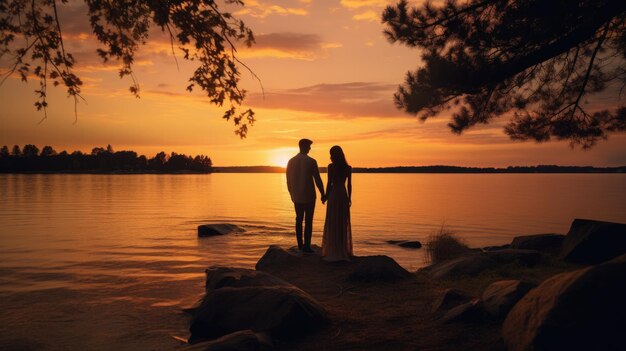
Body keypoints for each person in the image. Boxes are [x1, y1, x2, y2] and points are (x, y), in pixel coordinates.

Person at [286, 139, 326, 253]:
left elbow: (288, 181)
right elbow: (317, 179)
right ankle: (306, 246)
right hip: (309, 196)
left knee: (299, 219)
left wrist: (292, 194)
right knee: (308, 221)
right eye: (309, 146)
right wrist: (323, 194)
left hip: (297, 196)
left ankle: (300, 245)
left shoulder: (290, 161)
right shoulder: (311, 161)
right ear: (303, 146)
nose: (310, 148)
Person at [321, 145, 353, 261]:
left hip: (334, 195)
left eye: (331, 154)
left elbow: (329, 183)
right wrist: (349, 197)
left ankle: (333, 249)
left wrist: (325, 196)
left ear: (334, 155)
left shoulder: (331, 167)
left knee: (333, 220)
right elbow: (349, 184)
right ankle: (342, 248)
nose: (330, 156)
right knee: (342, 221)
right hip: (343, 195)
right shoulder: (348, 167)